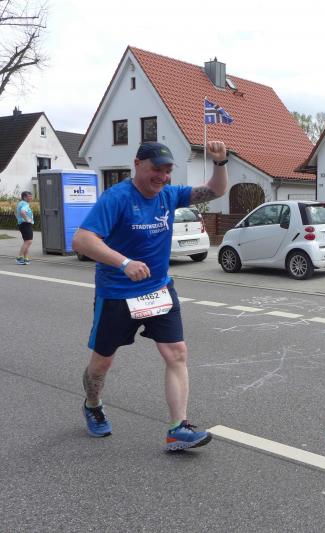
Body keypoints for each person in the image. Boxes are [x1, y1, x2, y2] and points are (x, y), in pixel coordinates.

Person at [72, 141, 228, 451]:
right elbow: (82, 239)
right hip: (117, 294)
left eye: (168, 171)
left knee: (177, 353)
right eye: (157, 169)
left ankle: (178, 429)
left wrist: (220, 163)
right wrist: (124, 263)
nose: (163, 177)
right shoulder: (116, 198)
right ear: (137, 164)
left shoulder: (169, 195)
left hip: (158, 289)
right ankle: (92, 404)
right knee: (102, 363)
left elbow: (214, 190)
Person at [15, 191, 34, 265]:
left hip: (22, 224)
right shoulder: (24, 204)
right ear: (24, 197)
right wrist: (27, 220)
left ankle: (25, 258)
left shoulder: (20, 203)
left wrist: (19, 219)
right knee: (28, 241)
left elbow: (16, 213)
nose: (31, 198)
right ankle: (19, 258)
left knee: (26, 241)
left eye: (31, 196)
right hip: (25, 224)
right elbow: (23, 212)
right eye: (29, 196)